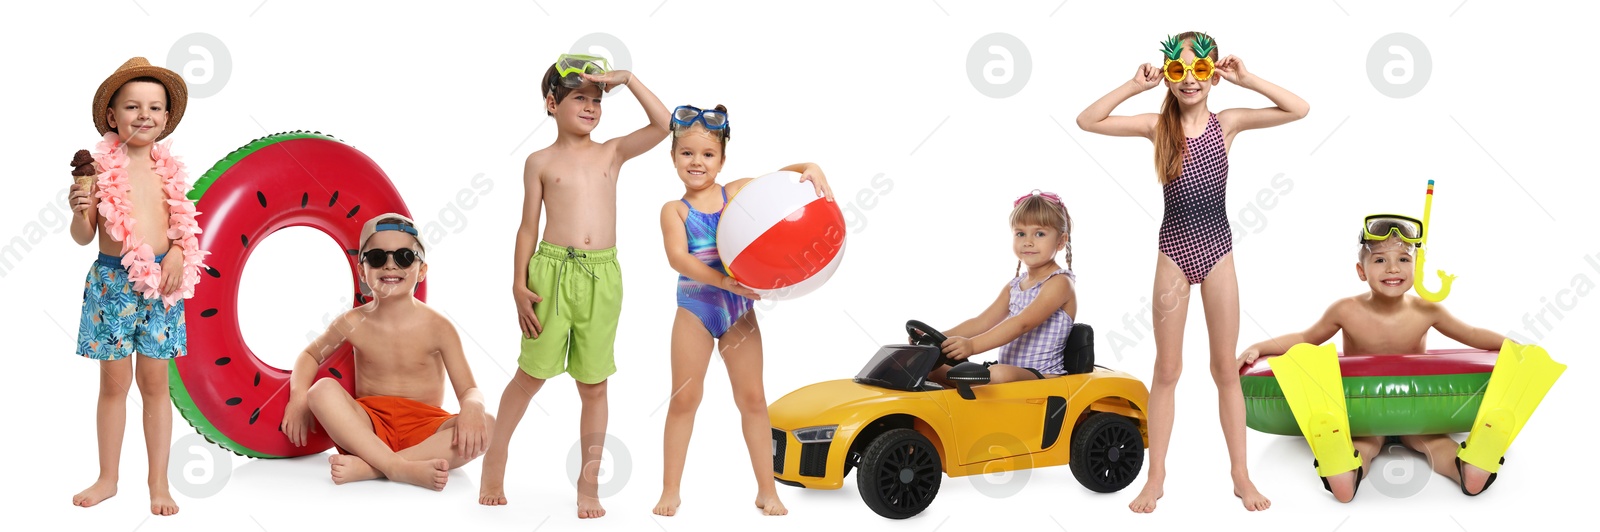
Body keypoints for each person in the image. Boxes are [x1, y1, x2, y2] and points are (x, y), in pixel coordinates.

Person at [1076, 31, 1309, 512]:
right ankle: (1156, 476)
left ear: (1212, 75)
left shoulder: (1228, 123)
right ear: (1167, 74)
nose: (1188, 80)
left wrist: (1247, 78)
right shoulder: (1156, 128)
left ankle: (1241, 476)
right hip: (1173, 254)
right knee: (1167, 369)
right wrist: (1132, 85)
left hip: (1219, 251)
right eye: (1177, 70)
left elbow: (1298, 109)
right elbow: (1087, 120)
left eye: (1199, 70)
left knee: (1225, 369)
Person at [478, 54, 671, 518]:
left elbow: (664, 125)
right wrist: (518, 284)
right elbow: (528, 226)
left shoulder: (612, 152)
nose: (590, 107)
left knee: (595, 385)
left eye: (596, 100)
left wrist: (628, 79)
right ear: (551, 103)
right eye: (579, 99)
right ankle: (495, 459)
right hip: (550, 275)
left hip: (602, 277)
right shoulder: (539, 161)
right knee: (532, 375)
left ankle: (589, 487)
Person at [1237, 215, 1536, 501]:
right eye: (1380, 260)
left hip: (1391, 410)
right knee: (1429, 442)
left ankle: (1346, 471)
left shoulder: (1428, 310)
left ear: (1417, 267)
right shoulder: (1345, 310)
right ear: (1361, 270)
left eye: (1403, 260)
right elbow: (1305, 339)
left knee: (1369, 444)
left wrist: (1510, 344)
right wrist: (1262, 347)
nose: (1393, 268)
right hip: (1382, 411)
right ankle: (1464, 467)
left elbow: (1471, 334)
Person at [649, 104, 832, 517]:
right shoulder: (674, 210)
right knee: (684, 399)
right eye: (687, 153)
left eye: (708, 155)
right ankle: (670, 489)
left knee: (753, 399)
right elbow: (679, 259)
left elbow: (782, 183)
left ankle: (767, 490)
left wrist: (812, 166)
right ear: (674, 157)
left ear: (723, 160)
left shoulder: (737, 193)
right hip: (696, 308)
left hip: (738, 313)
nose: (697, 162)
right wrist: (724, 283)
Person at [68, 57, 208, 516]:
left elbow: (184, 231)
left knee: (156, 386)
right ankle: (108, 478)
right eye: (132, 106)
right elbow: (85, 236)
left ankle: (159, 483)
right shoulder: (100, 168)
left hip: (162, 289)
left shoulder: (169, 172)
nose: (144, 115)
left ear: (167, 118)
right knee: (113, 387)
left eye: (154, 107)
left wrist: (178, 253)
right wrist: (78, 209)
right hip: (112, 285)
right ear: (113, 116)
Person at [281, 214, 494, 491]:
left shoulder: (439, 327)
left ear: (421, 270)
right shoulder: (352, 322)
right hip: (368, 426)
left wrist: (473, 407)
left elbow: (469, 390)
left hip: (427, 427)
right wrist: (298, 399)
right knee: (320, 391)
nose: (390, 264)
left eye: (405, 256)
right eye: (377, 257)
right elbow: (310, 356)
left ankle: (372, 468)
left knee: (488, 424)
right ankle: (397, 467)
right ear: (362, 271)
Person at [929, 191, 1078, 386]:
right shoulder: (1015, 286)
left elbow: (1021, 323)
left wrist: (972, 346)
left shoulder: (1059, 283)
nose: (1028, 241)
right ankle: (953, 380)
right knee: (929, 366)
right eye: (1020, 233)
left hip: (1043, 376)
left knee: (997, 373)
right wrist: (938, 338)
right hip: (1012, 372)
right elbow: (981, 322)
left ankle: (965, 382)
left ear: (1061, 241)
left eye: (1040, 233)